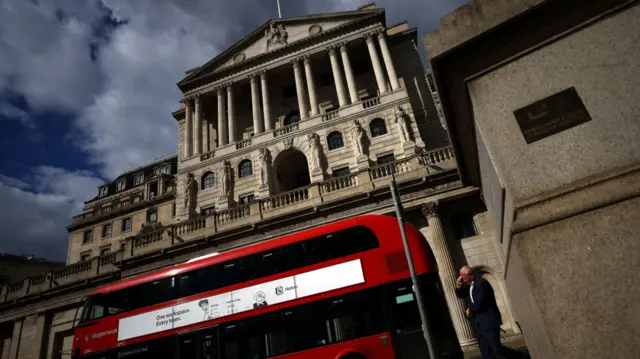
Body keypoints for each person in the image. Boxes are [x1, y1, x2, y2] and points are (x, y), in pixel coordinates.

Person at [456, 266, 505, 359]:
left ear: (471, 275)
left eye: (465, 278)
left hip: (488, 322)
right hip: (479, 325)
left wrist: (470, 309)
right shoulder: (469, 285)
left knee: (497, 352)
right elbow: (460, 294)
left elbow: (480, 302)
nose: (464, 280)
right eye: (463, 278)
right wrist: (459, 285)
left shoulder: (481, 283)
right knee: (486, 352)